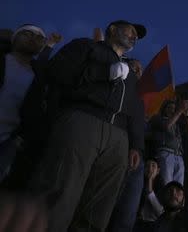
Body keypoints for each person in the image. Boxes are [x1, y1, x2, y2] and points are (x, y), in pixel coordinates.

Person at [30, 20, 147, 232]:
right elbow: (57, 72)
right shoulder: (87, 47)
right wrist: (103, 73)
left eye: (136, 36)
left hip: (118, 139)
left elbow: (137, 110)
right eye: (130, 31)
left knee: (98, 208)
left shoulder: (131, 72)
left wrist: (137, 144)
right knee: (60, 193)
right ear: (112, 30)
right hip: (83, 121)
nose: (134, 37)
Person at [0, 24, 62, 184]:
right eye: (27, 33)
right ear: (14, 39)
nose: (33, 38)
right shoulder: (4, 61)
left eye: (39, 37)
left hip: (9, 141)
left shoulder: (39, 77)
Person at [108, 58, 146, 232]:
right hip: (114, 148)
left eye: (141, 69)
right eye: (135, 67)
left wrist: (137, 147)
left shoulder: (140, 97)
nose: (138, 70)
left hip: (135, 156)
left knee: (128, 212)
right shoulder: (115, 84)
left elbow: (138, 125)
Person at [149, 99, 188, 185]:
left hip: (179, 156)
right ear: (164, 109)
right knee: (167, 185)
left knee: (179, 187)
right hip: (166, 154)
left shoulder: (177, 124)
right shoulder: (158, 118)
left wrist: (187, 115)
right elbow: (167, 126)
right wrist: (180, 110)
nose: (172, 110)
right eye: (169, 108)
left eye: (174, 108)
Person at [134, 158, 165, 232]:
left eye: (153, 166)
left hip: (153, 225)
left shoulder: (162, 188)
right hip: (138, 223)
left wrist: (150, 186)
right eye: (147, 166)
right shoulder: (138, 183)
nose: (150, 169)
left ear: (158, 171)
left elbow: (161, 213)